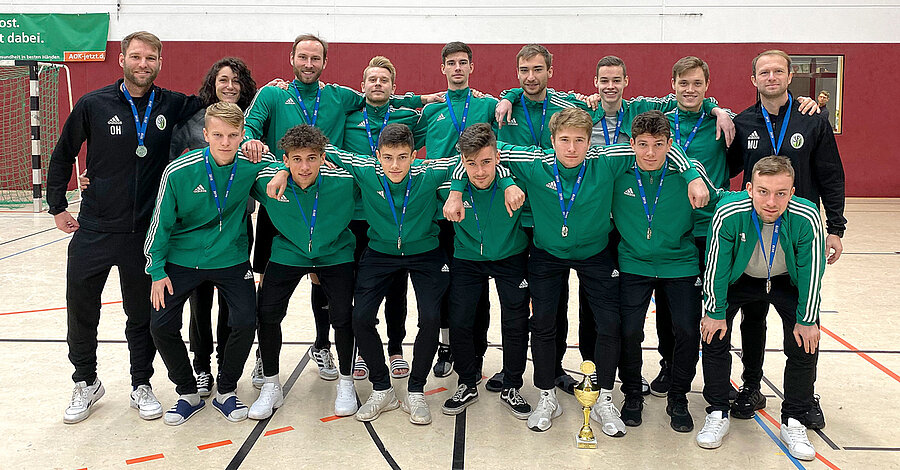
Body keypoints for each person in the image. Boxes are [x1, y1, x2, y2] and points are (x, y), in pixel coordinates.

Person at [445, 108, 710, 434]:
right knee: (542, 323)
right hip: (547, 254)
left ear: (590, 142)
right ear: (552, 141)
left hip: (595, 254)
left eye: (579, 140)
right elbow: (477, 154)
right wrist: (467, 188)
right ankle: (546, 395)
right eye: (565, 140)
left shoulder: (607, 159)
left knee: (609, 324)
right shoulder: (534, 162)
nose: (572, 148)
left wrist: (693, 176)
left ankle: (604, 398)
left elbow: (658, 147)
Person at [272, 123, 516, 425]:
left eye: (402, 157)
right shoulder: (365, 168)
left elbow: (471, 159)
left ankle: (415, 390)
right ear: (377, 155)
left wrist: (498, 183)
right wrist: (281, 171)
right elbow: (319, 150)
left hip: (426, 252)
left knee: (430, 318)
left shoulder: (428, 171)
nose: (395, 165)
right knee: (359, 317)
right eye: (388, 157)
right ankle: (382, 387)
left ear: (414, 155)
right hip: (380, 252)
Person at [241, 34, 440, 384]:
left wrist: (424, 98)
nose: (308, 63)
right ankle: (283, 352)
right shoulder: (274, 94)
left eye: (315, 58)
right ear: (291, 58)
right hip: (285, 197)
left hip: (345, 203)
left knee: (342, 278)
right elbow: (250, 127)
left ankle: (357, 346)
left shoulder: (340, 96)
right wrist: (262, 151)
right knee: (281, 284)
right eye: (303, 57)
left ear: (325, 63)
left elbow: (386, 98)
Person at [46, 31, 202, 424]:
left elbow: (219, 102)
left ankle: (141, 382)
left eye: (151, 58)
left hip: (144, 234)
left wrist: (266, 90)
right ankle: (85, 381)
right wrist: (57, 206)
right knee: (82, 312)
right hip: (95, 228)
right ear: (122, 59)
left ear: (160, 62)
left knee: (141, 315)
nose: (143, 64)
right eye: (136, 56)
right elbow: (63, 154)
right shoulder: (92, 104)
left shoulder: (171, 103)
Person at [725, 50, 844, 430]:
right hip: (753, 239)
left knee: (803, 319)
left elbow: (830, 173)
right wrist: (717, 115)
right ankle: (751, 386)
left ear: (790, 76)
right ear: (753, 79)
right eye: (764, 72)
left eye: (778, 71)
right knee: (752, 319)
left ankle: (804, 397)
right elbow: (725, 170)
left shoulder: (813, 119)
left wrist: (836, 227)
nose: (771, 77)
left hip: (797, 240)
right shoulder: (743, 123)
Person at [144, 102, 277, 425]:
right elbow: (160, 223)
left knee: (246, 321)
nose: (225, 142)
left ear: (243, 135)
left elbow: (279, 169)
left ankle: (226, 390)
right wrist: (157, 270)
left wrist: (268, 155)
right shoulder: (179, 170)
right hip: (181, 259)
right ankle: (187, 392)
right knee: (160, 325)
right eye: (217, 134)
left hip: (230, 259)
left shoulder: (250, 163)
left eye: (233, 135)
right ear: (205, 134)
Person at [697, 155, 824, 462]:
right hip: (741, 278)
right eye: (764, 192)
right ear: (750, 188)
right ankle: (717, 412)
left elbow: (812, 271)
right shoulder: (729, 212)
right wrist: (714, 312)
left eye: (781, 193)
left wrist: (807, 319)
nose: (771, 201)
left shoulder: (806, 217)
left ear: (792, 193)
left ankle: (793, 419)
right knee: (713, 335)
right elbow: (715, 266)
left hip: (784, 280)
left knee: (805, 342)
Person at [612, 110, 718, 433]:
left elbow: (719, 202)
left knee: (686, 331)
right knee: (628, 331)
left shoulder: (690, 172)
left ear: (670, 145)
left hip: (679, 263)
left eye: (659, 145)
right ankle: (631, 393)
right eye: (642, 144)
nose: (650, 153)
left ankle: (679, 395)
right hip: (633, 262)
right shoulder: (618, 170)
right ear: (631, 144)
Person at [248, 125, 359, 419]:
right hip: (289, 252)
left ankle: (346, 382)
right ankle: (271, 384)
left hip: (335, 252)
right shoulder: (268, 180)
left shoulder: (344, 180)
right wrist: (278, 170)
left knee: (344, 317)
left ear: (323, 157)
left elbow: (373, 172)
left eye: (312, 158)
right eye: (296, 159)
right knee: (267, 313)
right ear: (285, 160)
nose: (305, 166)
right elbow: (243, 163)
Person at [170, 57, 258, 398]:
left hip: (236, 223)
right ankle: (202, 365)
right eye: (224, 79)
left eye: (237, 80)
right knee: (199, 301)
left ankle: (225, 364)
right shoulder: (192, 123)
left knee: (232, 300)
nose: (230, 85)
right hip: (194, 229)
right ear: (213, 83)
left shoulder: (251, 122)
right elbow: (171, 165)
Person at [438, 123, 531, 418]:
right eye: (472, 163)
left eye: (487, 162)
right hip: (467, 258)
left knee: (515, 321)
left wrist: (505, 181)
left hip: (510, 256)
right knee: (461, 320)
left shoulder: (515, 185)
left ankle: (512, 385)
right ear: (461, 161)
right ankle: (467, 382)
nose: (480, 171)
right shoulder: (447, 188)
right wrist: (455, 189)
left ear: (498, 158)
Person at [417, 41, 497, 383]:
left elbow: (521, 102)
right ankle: (447, 347)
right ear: (443, 69)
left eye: (464, 62)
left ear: (472, 67)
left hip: (477, 209)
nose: (458, 68)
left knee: (477, 286)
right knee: (445, 284)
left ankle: (477, 351)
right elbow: (394, 125)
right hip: (440, 210)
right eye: (452, 63)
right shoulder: (432, 110)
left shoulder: (487, 104)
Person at [341, 56, 425, 380]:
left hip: (392, 213)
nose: (377, 84)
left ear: (394, 87)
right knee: (359, 285)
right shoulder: (348, 116)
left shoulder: (406, 117)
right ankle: (364, 348)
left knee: (395, 284)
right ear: (362, 86)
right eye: (372, 80)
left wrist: (422, 99)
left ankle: (395, 347)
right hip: (354, 215)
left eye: (384, 80)